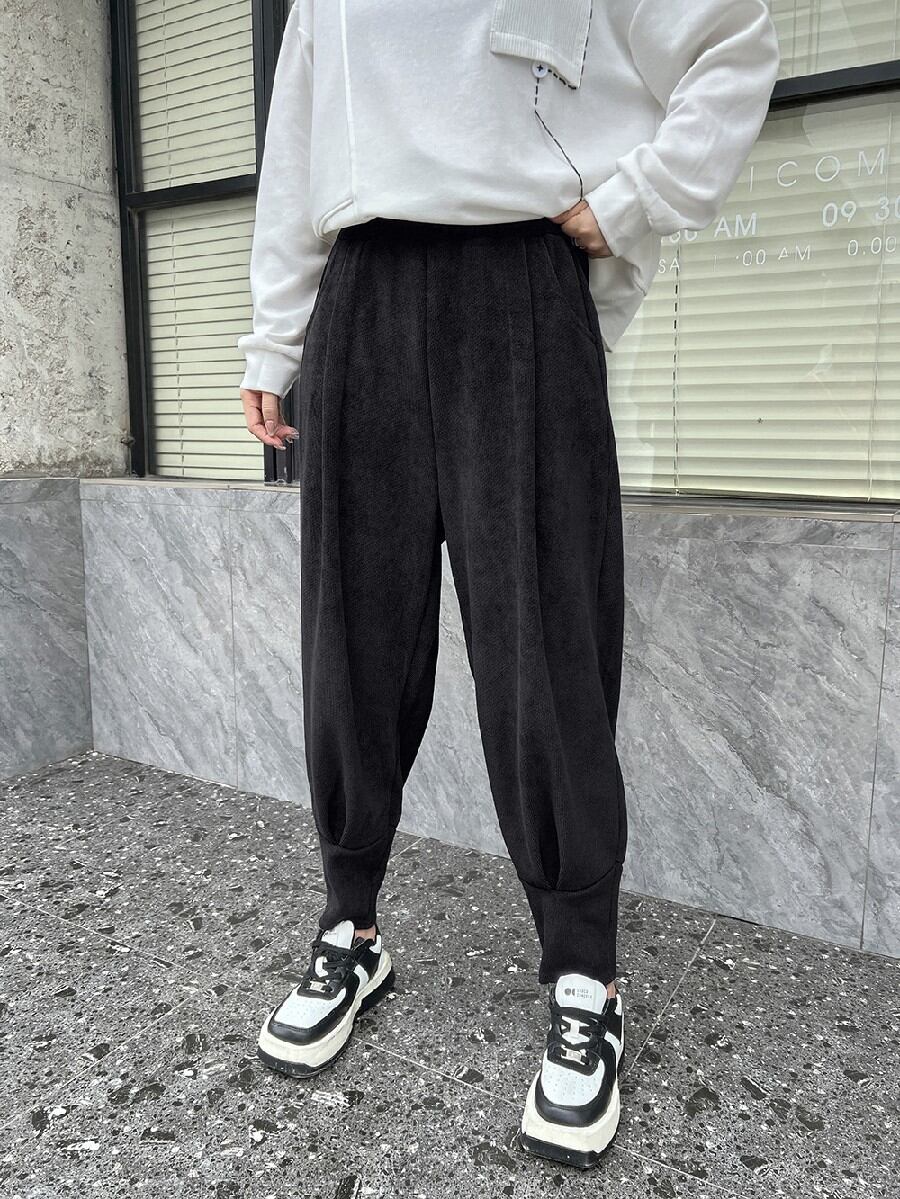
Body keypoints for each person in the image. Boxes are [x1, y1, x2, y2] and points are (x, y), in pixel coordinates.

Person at [237, 0, 780, 1169]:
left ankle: (585, 971)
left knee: (547, 648)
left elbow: (731, 41)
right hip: (361, 290)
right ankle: (350, 924)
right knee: (351, 637)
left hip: (521, 287)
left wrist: (634, 200)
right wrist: (275, 338)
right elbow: (298, 140)